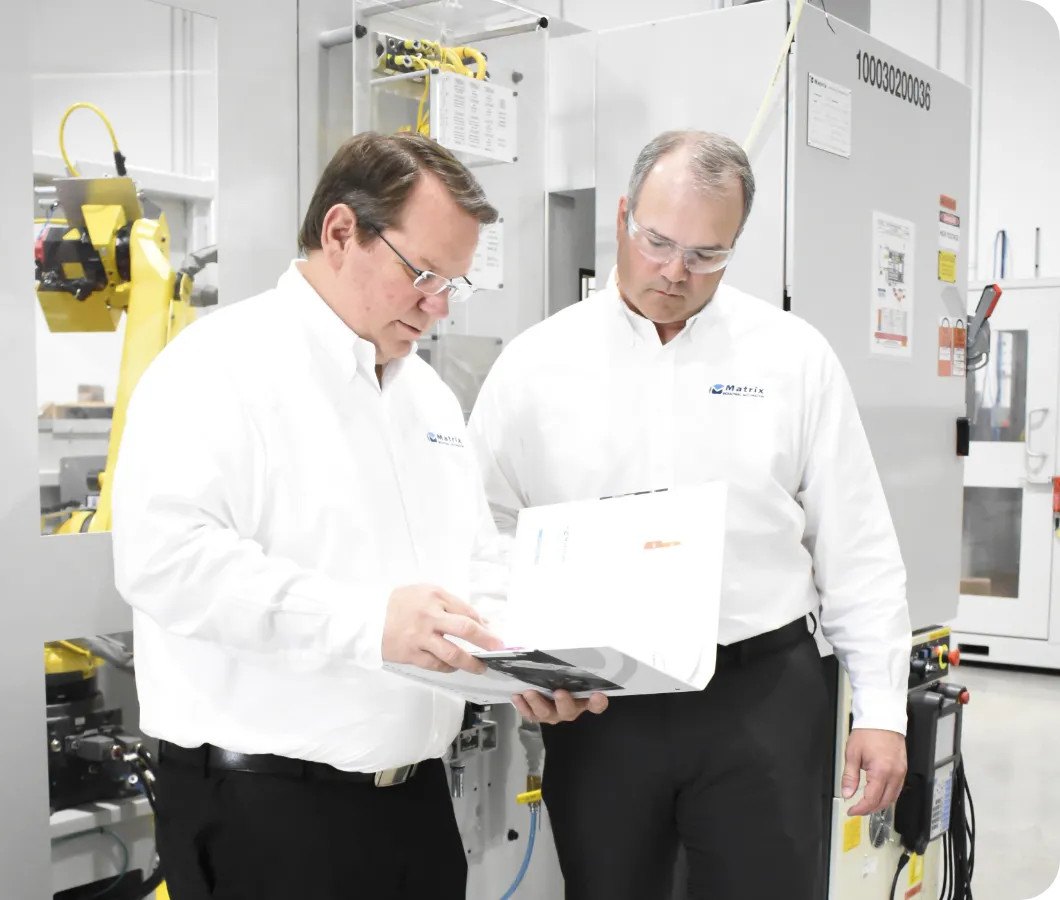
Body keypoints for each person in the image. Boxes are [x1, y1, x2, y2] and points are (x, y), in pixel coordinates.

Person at [110, 131, 600, 900]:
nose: (438, 306)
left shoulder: (427, 398)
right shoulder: (216, 368)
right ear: (341, 232)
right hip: (265, 817)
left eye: (456, 284)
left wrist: (525, 666)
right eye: (425, 274)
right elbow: (165, 561)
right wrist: (367, 623)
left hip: (413, 806)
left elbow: (473, 566)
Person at [466, 129, 912, 900]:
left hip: (761, 697)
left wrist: (883, 709)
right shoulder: (536, 365)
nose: (674, 272)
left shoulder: (792, 358)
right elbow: (481, 529)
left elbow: (857, 543)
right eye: (658, 242)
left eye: (706, 254)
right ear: (622, 217)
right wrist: (518, 661)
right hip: (601, 704)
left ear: (736, 245)